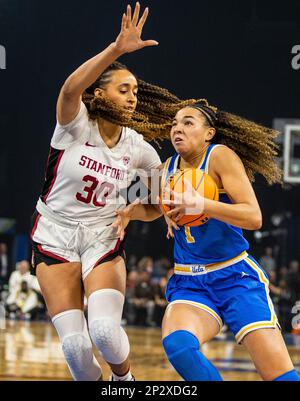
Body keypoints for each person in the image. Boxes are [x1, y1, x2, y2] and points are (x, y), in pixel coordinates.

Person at [30, 2, 195, 381]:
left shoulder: (139, 150)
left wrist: (131, 212)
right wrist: (117, 49)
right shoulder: (74, 126)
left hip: (102, 236)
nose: (133, 97)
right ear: (100, 94)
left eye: (135, 91)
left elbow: (152, 206)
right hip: (55, 233)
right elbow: (71, 87)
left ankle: (124, 381)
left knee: (104, 331)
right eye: (124, 89)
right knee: (74, 348)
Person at [114, 100, 300, 381]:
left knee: (279, 376)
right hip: (191, 282)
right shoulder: (166, 168)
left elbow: (253, 217)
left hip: (235, 276)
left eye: (188, 122)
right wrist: (129, 211)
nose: (178, 128)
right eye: (175, 123)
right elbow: (145, 201)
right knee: (178, 346)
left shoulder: (220, 156)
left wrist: (201, 204)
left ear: (209, 133)